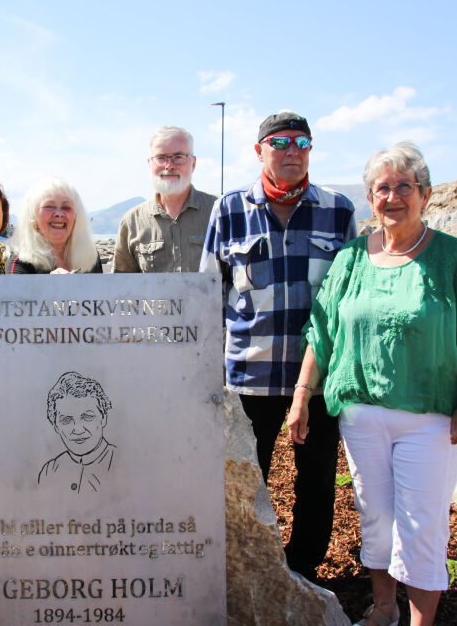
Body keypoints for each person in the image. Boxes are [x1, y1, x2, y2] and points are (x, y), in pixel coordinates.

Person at [287, 142, 457, 626]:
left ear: (425, 194)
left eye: (404, 186)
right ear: (371, 199)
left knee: (420, 526)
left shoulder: (455, 259)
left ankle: (420, 621)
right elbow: (321, 332)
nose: (393, 197)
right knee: (376, 519)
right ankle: (384, 608)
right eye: (382, 188)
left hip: (430, 420)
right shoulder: (350, 260)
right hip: (362, 417)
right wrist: (302, 396)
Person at [201, 111, 357, 581]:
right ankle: (252, 572)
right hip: (251, 376)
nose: (293, 151)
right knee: (248, 483)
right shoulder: (229, 210)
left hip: (321, 380)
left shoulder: (339, 210)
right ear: (260, 150)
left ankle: (305, 570)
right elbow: (208, 293)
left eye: (302, 143)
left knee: (316, 483)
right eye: (281, 142)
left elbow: (350, 296)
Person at [113, 126, 216, 273]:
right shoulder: (132, 222)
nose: (169, 166)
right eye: (161, 158)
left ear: (193, 163)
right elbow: (120, 285)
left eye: (178, 157)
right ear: (149, 163)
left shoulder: (219, 211)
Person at [38, 371, 115, 494]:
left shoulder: (124, 462)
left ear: (103, 418)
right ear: (56, 426)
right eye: (66, 420)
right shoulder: (50, 471)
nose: (78, 430)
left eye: (87, 417)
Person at [8, 178, 102, 274]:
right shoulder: (21, 262)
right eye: (49, 206)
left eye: (66, 207)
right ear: (33, 217)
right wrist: (52, 284)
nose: (59, 213)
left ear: (76, 217)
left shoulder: (90, 256)